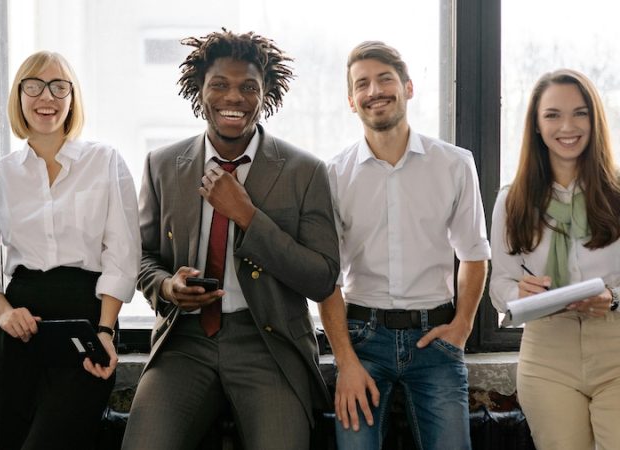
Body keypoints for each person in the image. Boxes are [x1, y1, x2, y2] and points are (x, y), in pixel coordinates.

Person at [121, 29, 339, 450]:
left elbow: (322, 278)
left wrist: (248, 216)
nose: (233, 98)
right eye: (219, 84)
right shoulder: (162, 164)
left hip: (269, 345)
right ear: (199, 91)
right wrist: (167, 286)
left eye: (248, 88)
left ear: (266, 93)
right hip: (185, 342)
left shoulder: (304, 171)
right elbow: (142, 257)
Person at [0, 51, 140, 449]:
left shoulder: (105, 161)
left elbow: (123, 252)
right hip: (21, 326)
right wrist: (3, 312)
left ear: (72, 97)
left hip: (86, 321)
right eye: (35, 85)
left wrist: (106, 331)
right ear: (19, 96)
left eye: (60, 86)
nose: (48, 96)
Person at [319, 41, 491, 449]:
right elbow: (326, 277)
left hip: (436, 338)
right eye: (362, 84)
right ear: (351, 100)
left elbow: (474, 253)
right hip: (361, 341)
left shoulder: (454, 163)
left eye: (385, 79)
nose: (374, 91)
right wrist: (345, 360)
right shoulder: (333, 174)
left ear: (408, 88)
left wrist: (463, 326)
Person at [490, 69, 620, 450]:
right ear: (536, 125)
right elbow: (499, 283)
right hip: (548, 352)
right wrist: (520, 291)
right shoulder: (512, 199)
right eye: (552, 115)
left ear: (594, 121)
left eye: (580, 113)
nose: (567, 126)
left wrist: (612, 297)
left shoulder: (617, 194)